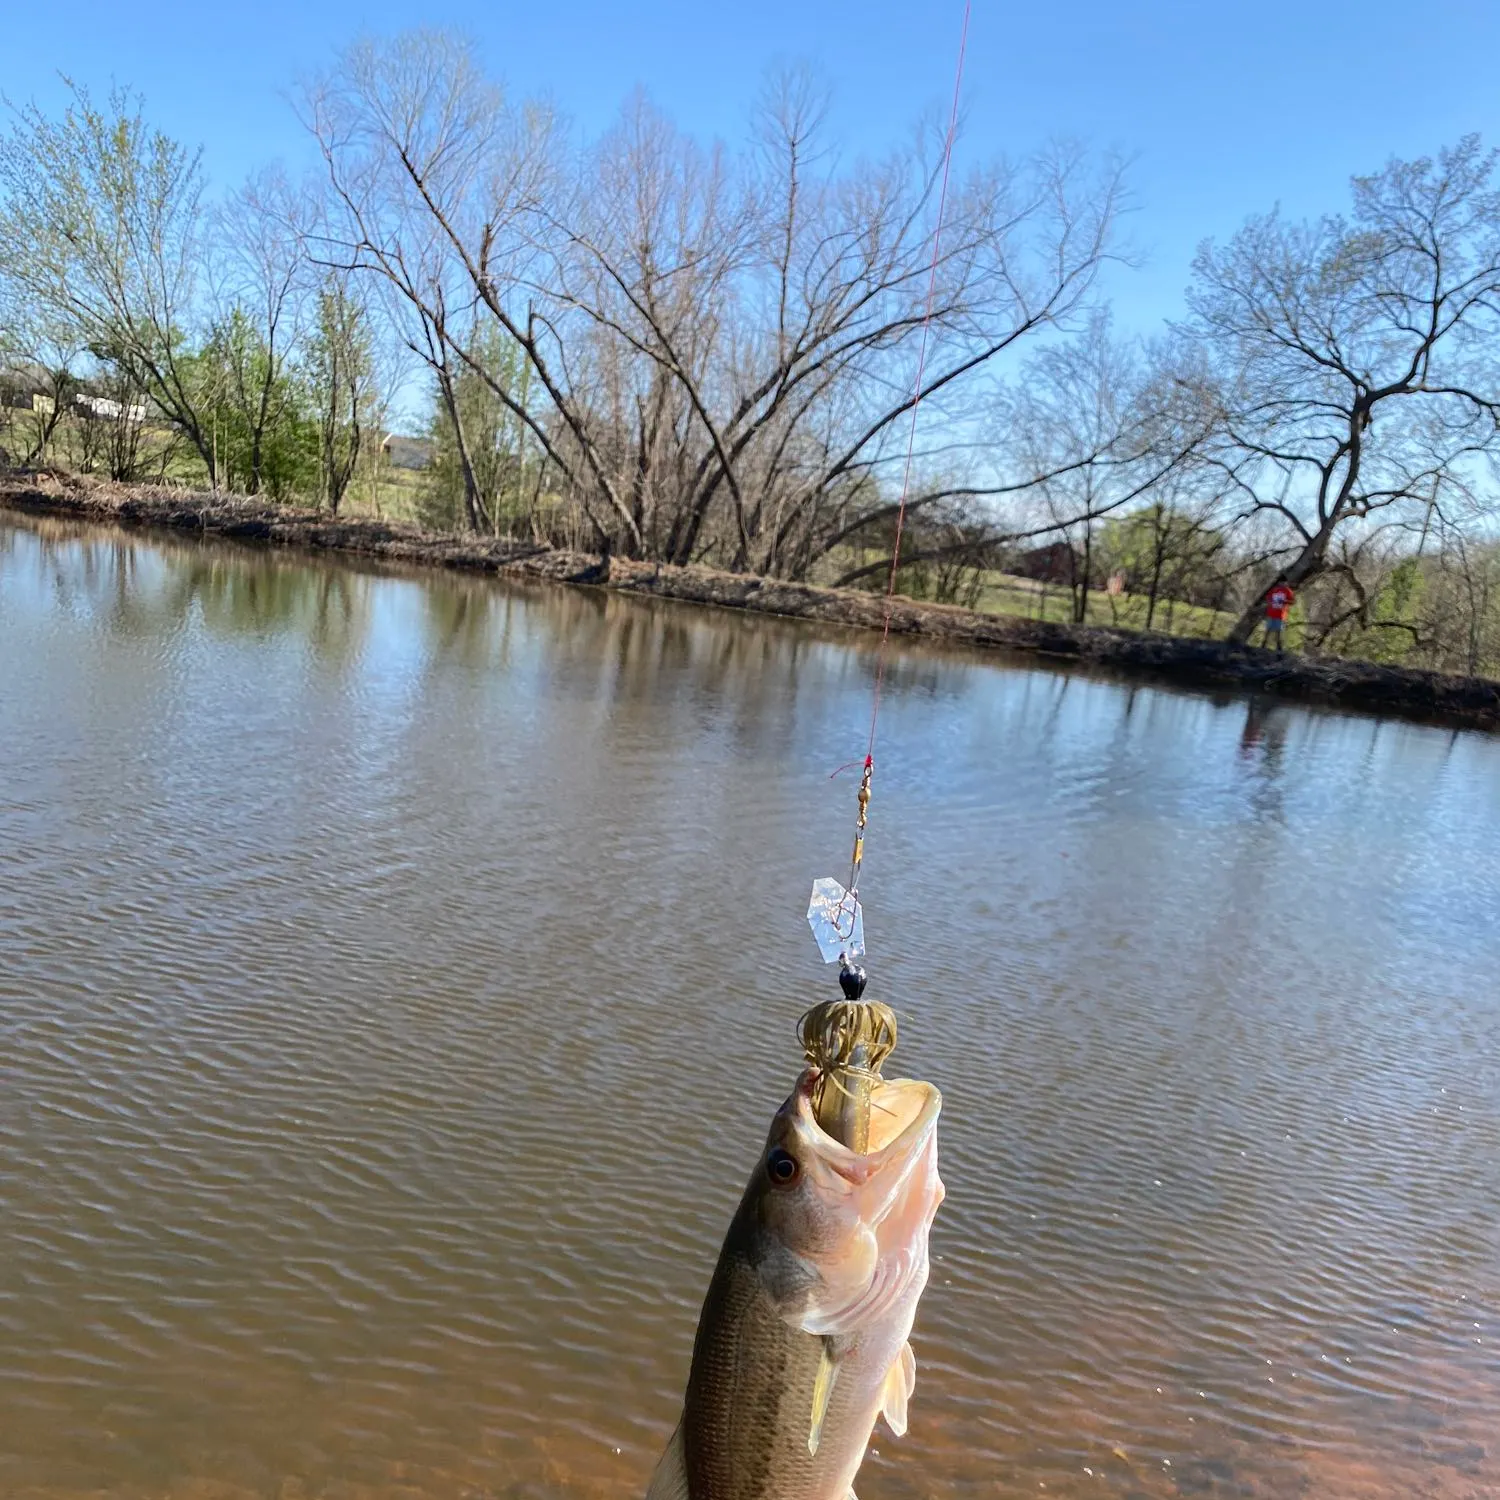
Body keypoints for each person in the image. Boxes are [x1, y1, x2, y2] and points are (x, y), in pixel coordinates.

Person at [1262, 575, 1295, 652]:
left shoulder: (1288, 591)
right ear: (1279, 583)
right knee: (1268, 630)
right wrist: (1269, 602)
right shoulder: (1274, 590)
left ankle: (1279, 648)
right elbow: (1268, 597)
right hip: (1271, 613)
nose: (1283, 584)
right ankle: (1263, 645)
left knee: (1278, 631)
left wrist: (1285, 601)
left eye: (1284, 583)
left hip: (1280, 615)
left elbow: (1293, 601)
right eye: (1281, 583)